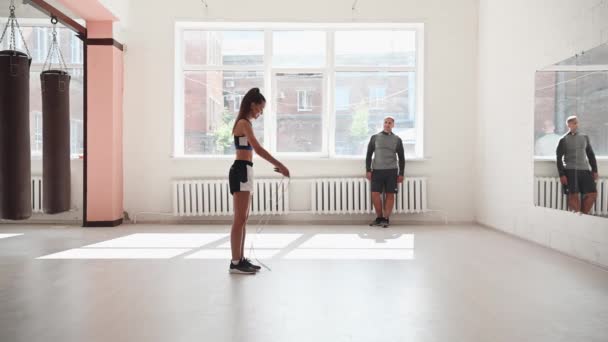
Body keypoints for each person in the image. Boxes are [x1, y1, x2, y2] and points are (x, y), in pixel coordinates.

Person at [229, 88, 290, 274]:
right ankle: (235, 262)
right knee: (239, 219)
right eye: (260, 108)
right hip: (240, 170)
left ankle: (241, 259)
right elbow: (258, 149)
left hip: (246, 170)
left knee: (244, 218)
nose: (260, 112)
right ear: (252, 104)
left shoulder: (246, 123)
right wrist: (281, 165)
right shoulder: (243, 123)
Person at [365, 116, 405, 228]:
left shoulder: (397, 139)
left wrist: (401, 173)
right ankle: (379, 217)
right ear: (383, 124)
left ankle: (386, 219)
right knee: (375, 194)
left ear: (393, 125)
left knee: (390, 194)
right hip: (377, 171)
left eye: (390, 123)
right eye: (385, 122)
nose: (387, 124)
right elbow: (369, 155)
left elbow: (401, 158)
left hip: (391, 171)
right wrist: (368, 170)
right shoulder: (375, 138)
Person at [556, 115, 599, 214]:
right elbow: (559, 158)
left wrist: (594, 170)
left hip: (585, 170)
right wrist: (562, 174)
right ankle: (576, 220)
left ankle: (583, 216)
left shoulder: (585, 137)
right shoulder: (563, 140)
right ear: (569, 125)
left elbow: (591, 155)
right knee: (573, 196)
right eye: (574, 123)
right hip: (570, 171)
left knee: (592, 194)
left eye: (577, 122)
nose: (576, 124)